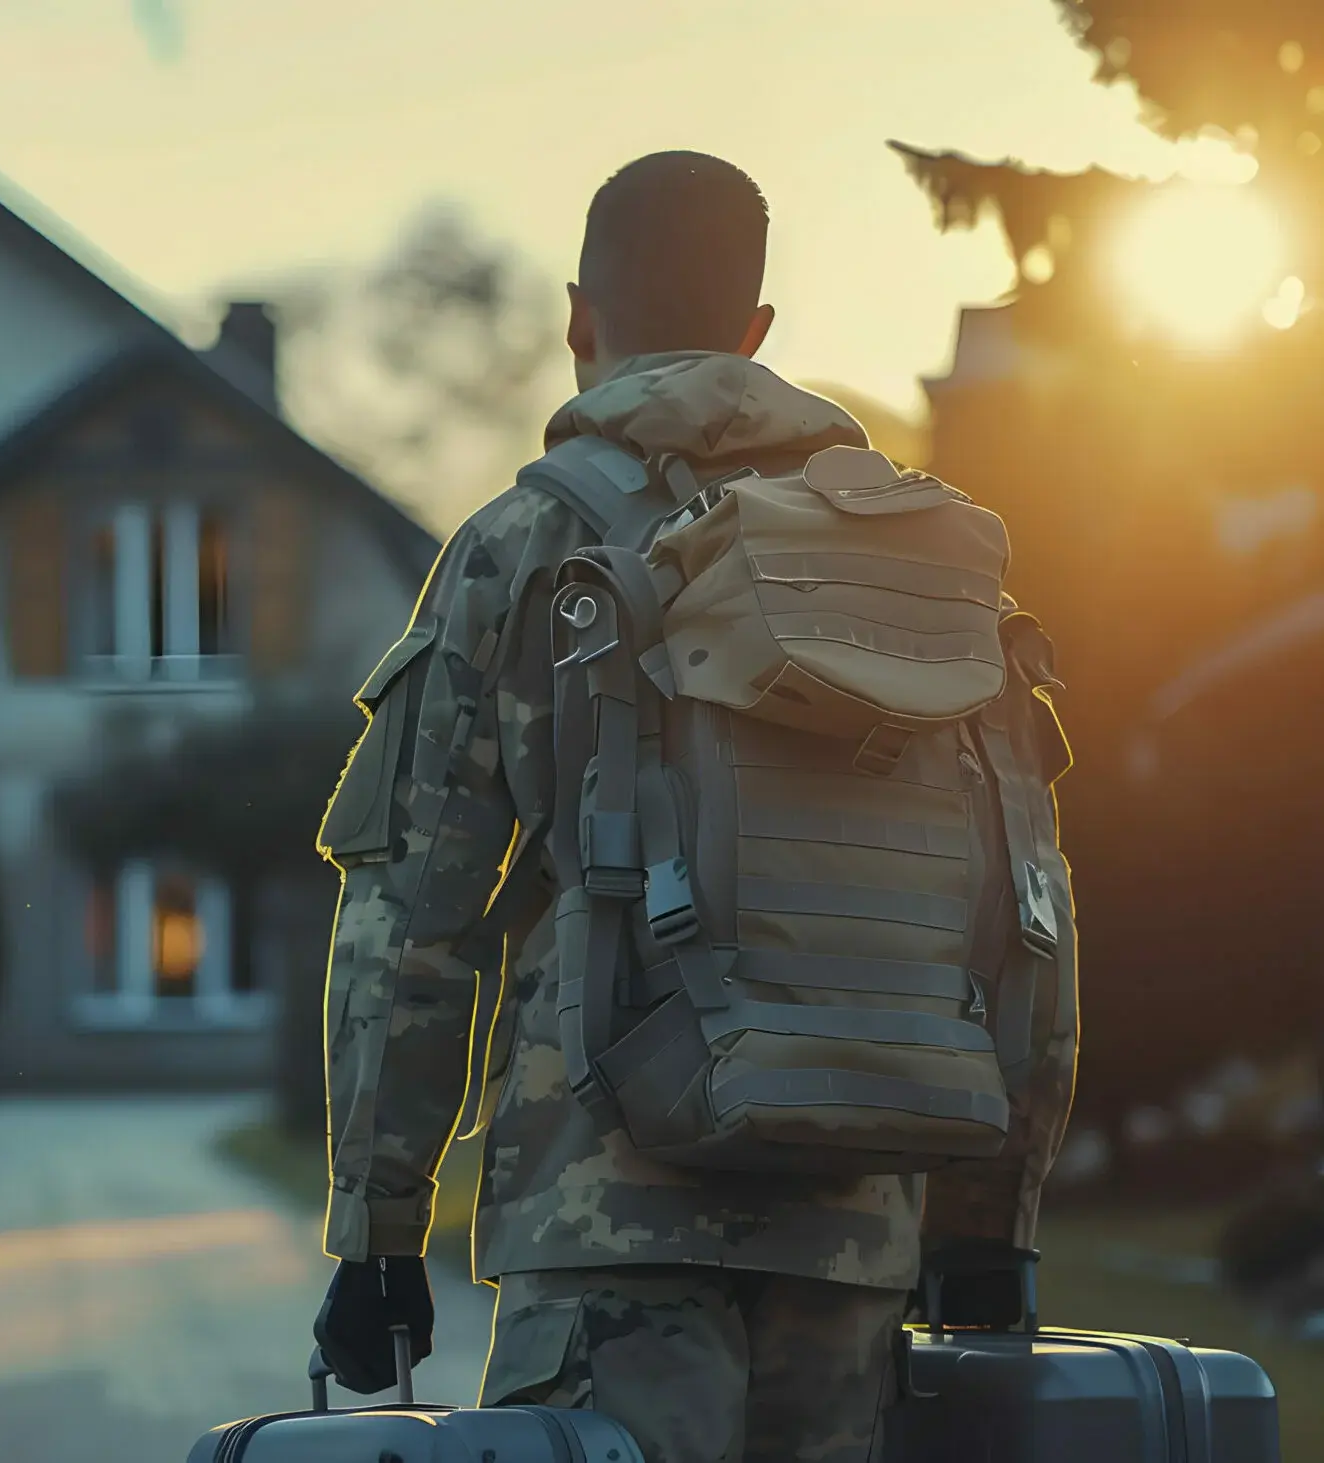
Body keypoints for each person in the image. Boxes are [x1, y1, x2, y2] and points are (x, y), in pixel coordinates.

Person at [312, 151, 1069, 1463]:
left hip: (613, 1217)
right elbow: (1028, 901)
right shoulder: (923, 572)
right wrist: (988, 1224)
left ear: (578, 320)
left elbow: (411, 913)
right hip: (854, 1221)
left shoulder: (526, 547)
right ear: (757, 334)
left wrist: (379, 1229)